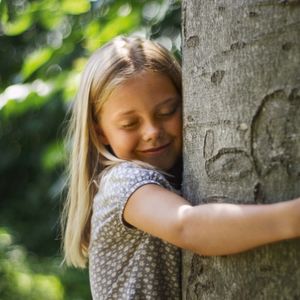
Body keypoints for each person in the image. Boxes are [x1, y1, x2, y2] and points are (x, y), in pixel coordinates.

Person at [61, 36, 300, 299]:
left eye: (167, 112)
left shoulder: (179, 175)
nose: (152, 132)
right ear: (101, 133)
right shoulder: (122, 182)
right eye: (130, 124)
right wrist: (291, 218)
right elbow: (186, 226)